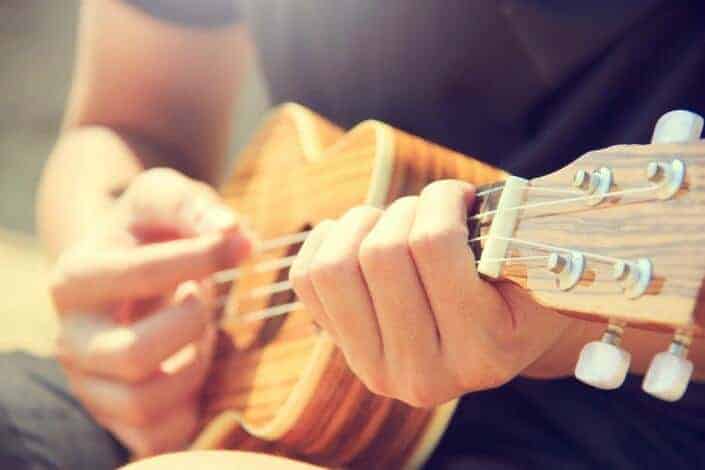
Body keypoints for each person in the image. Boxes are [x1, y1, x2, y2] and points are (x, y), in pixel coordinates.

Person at [2, 1, 705, 468]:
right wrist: (114, 276)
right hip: (229, 382)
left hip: (625, 433)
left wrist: (551, 328)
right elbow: (130, 121)